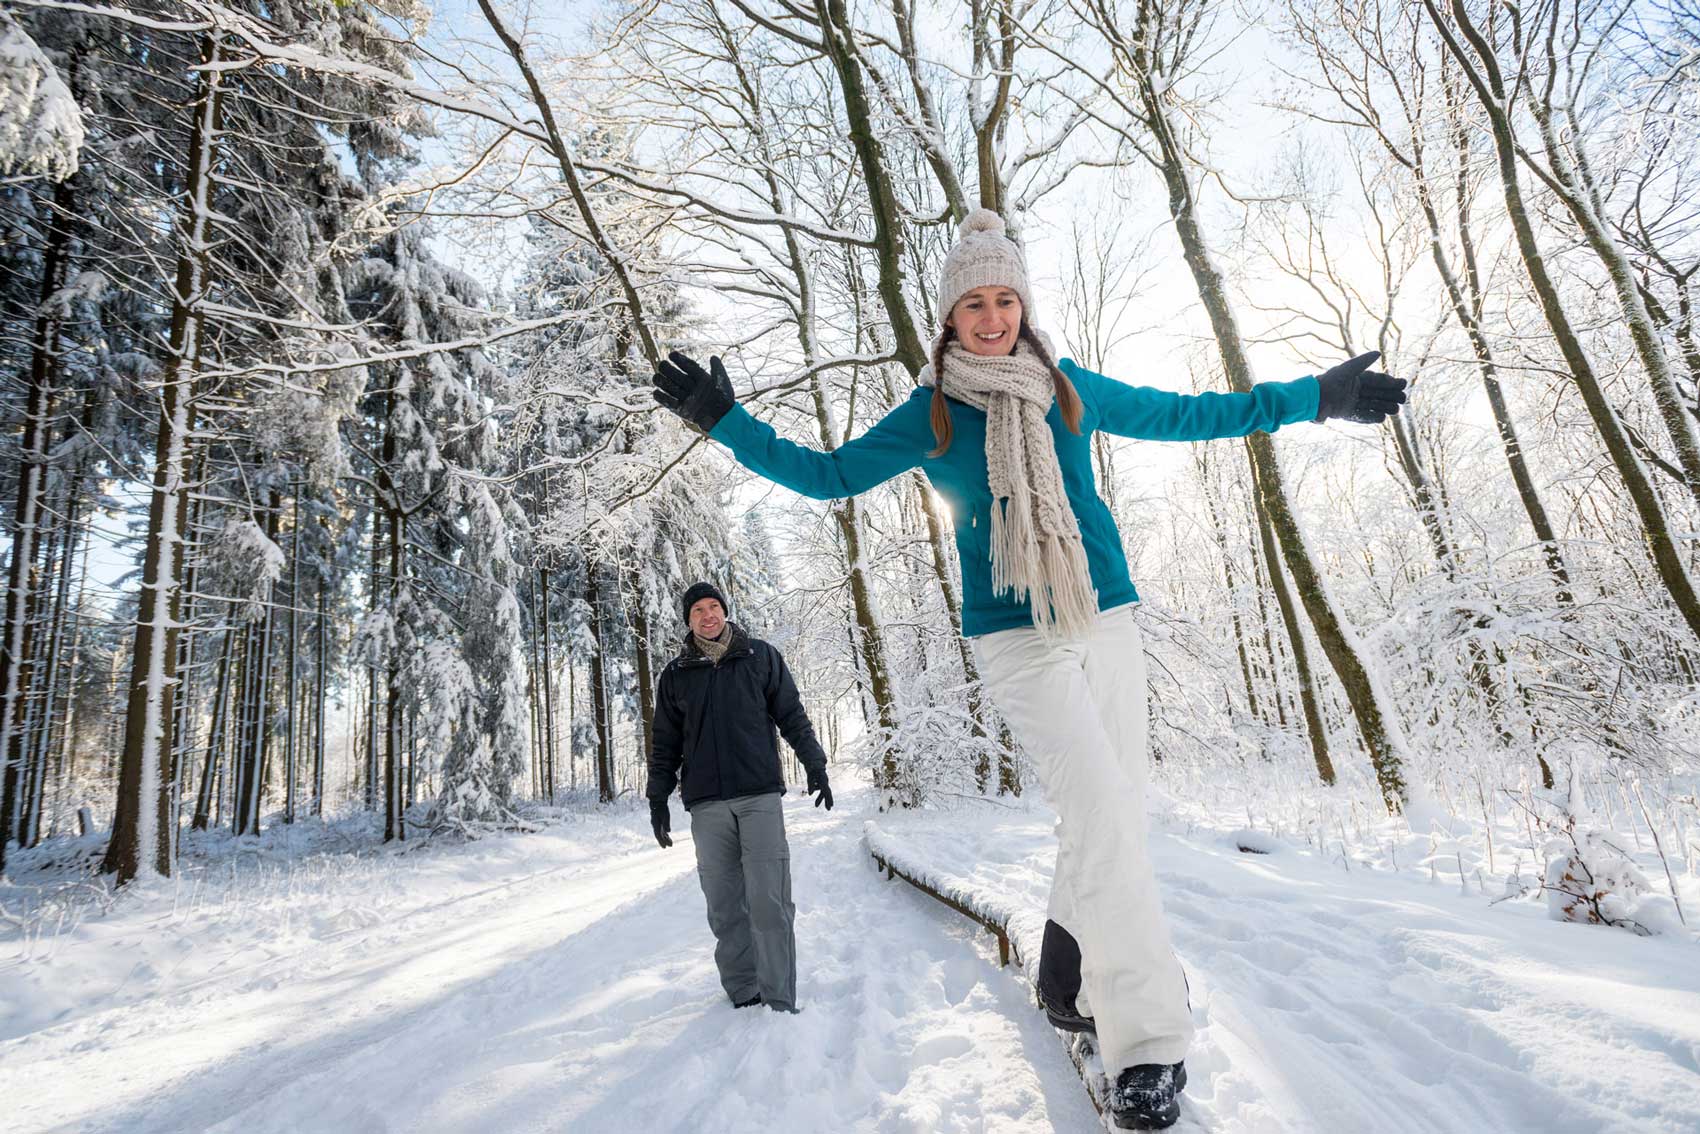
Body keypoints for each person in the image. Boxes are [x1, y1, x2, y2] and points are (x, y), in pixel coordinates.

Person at [650, 210, 1406, 1129]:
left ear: (1024, 305)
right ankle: (1149, 1044)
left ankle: (1066, 973)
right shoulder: (931, 412)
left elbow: (1186, 414)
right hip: (1016, 635)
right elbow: (828, 475)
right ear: (949, 317)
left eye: (1006, 298)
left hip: (1106, 615)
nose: (993, 316)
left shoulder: (1066, 389)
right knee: (1102, 814)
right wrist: (724, 421)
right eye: (975, 302)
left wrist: (1310, 398)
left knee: (1112, 810)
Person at [646, 581, 834, 1015]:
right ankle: (744, 991)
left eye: (714, 607)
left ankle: (780, 998)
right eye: (697, 611)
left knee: (770, 900)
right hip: (707, 805)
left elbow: (791, 714)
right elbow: (664, 743)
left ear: (725, 611)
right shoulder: (676, 675)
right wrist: (658, 798)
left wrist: (815, 763)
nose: (707, 615)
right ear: (688, 620)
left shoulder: (760, 657)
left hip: (759, 798)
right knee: (725, 904)